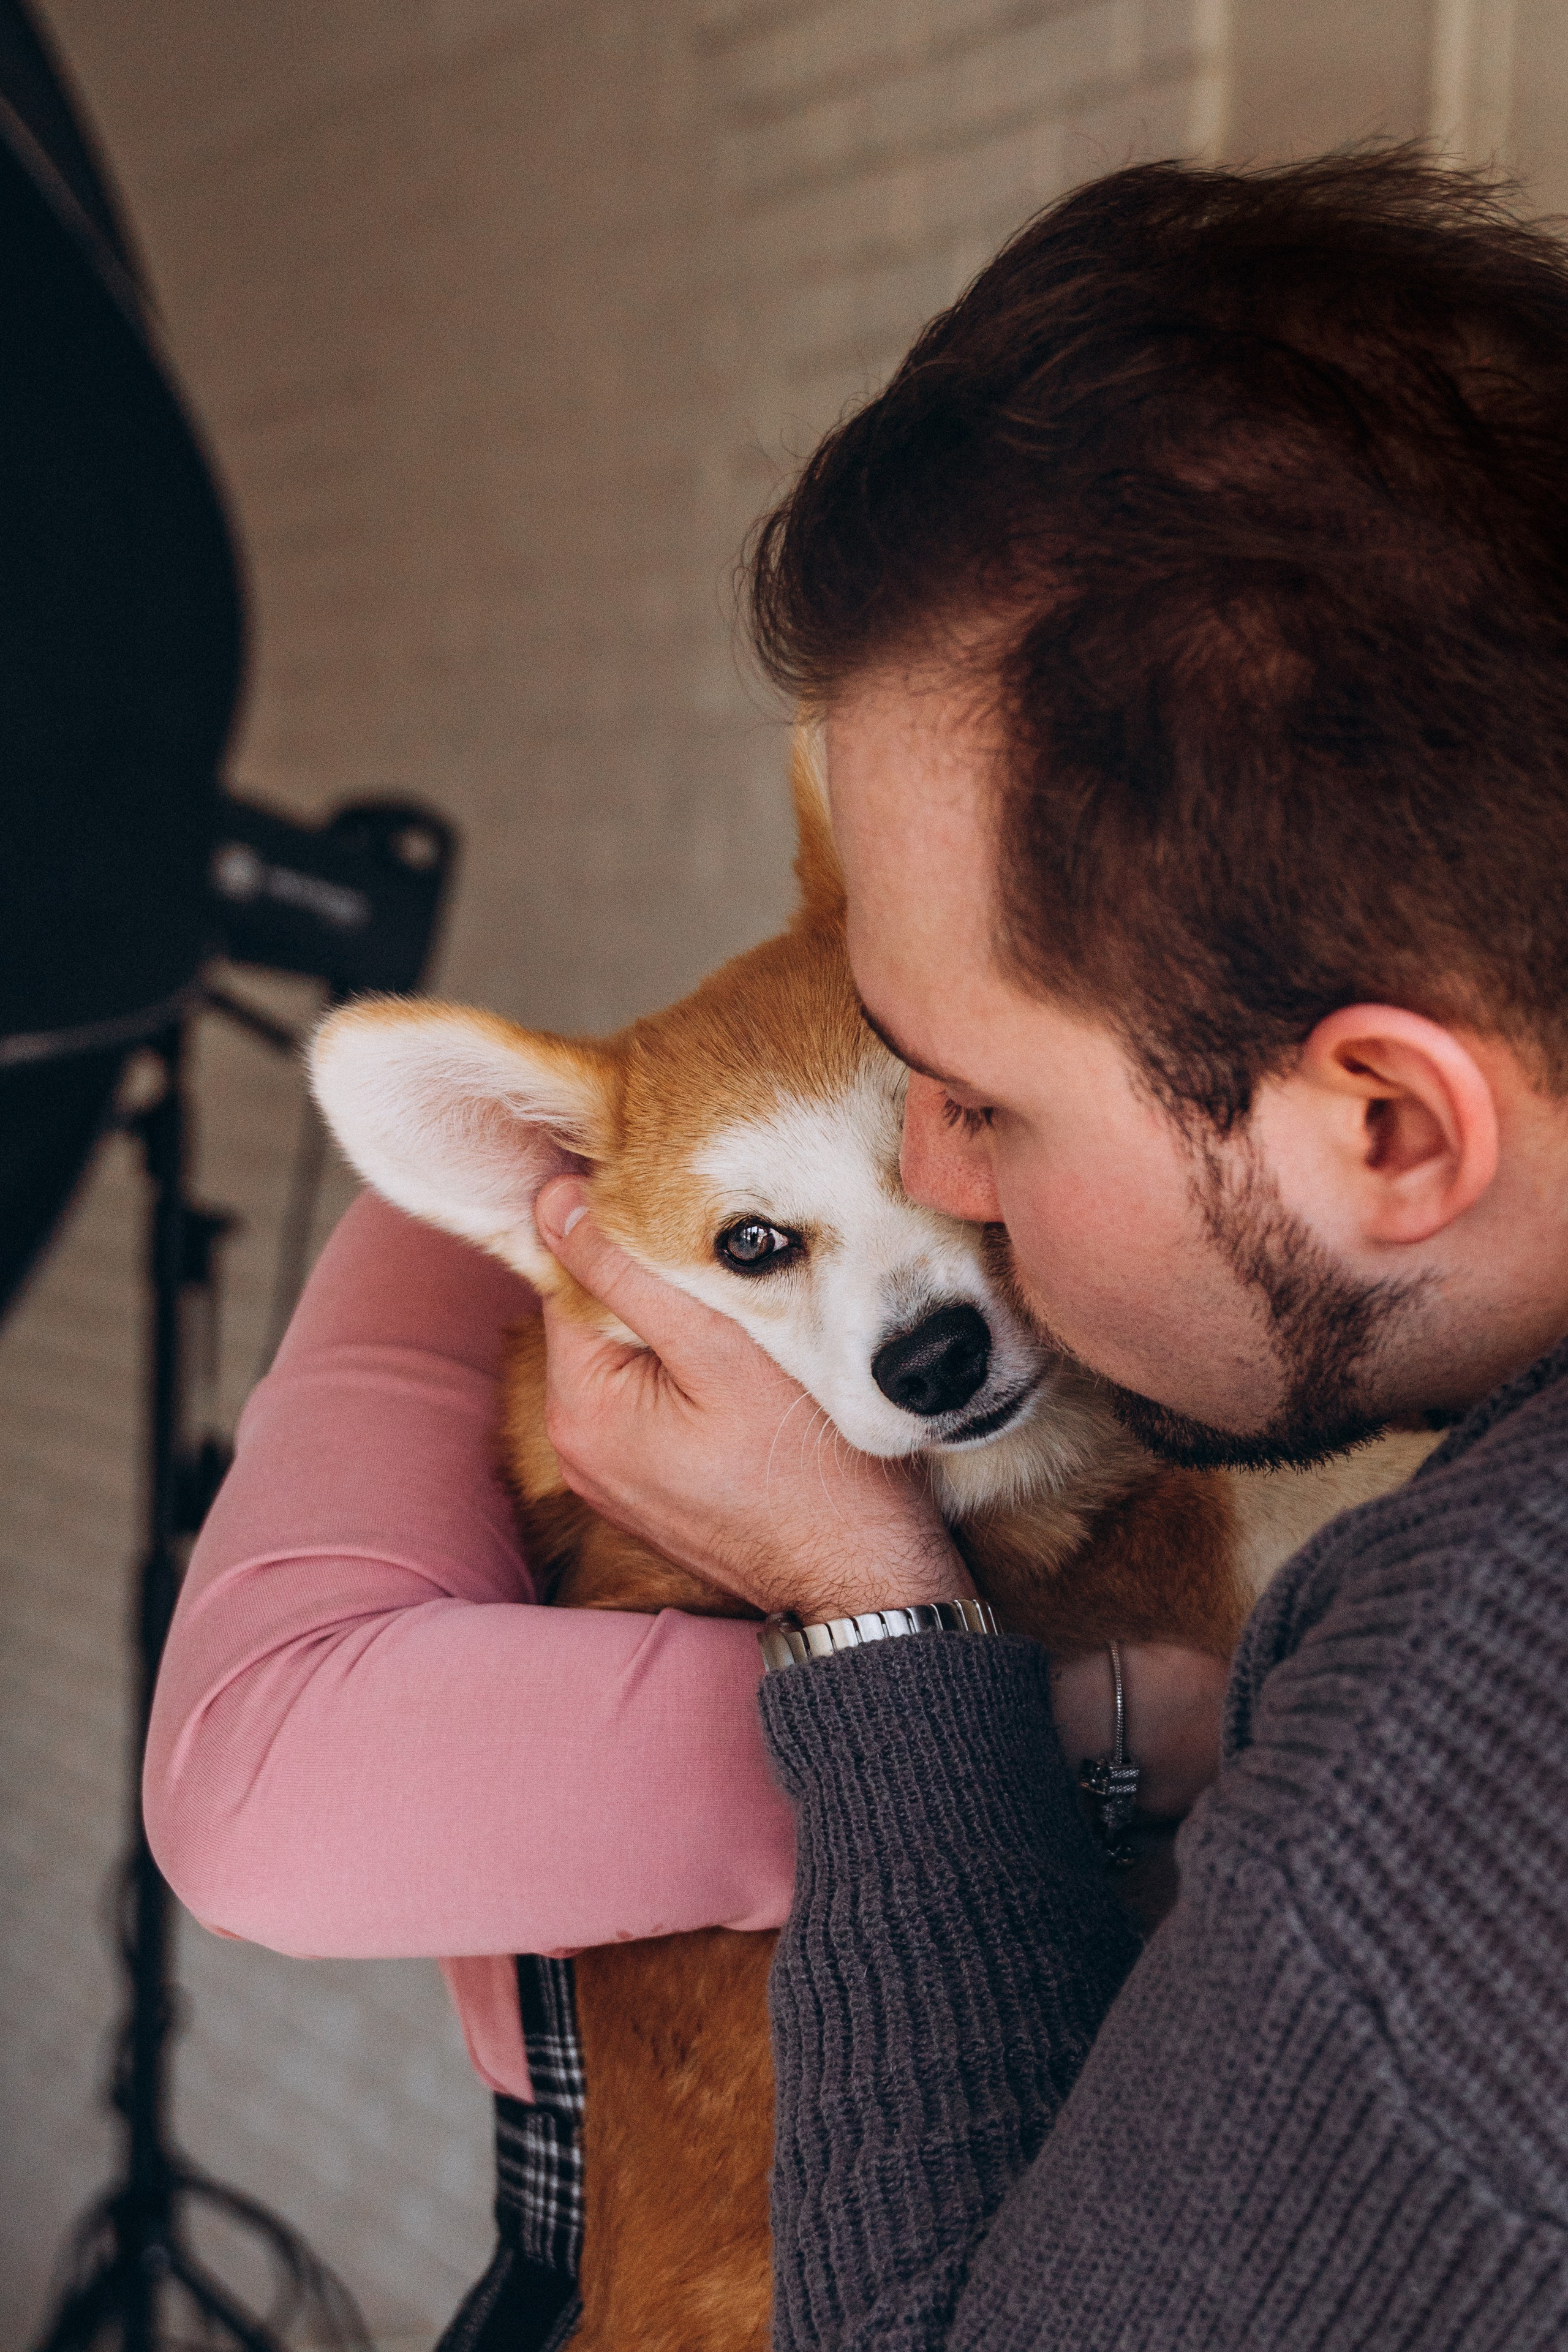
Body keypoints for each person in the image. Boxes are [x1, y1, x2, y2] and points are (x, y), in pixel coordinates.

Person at [520, 151, 1568, 2346]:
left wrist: (871, 1618)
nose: (945, 1184)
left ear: (1386, 1125)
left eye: (983, 1101)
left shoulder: (1481, 1740)